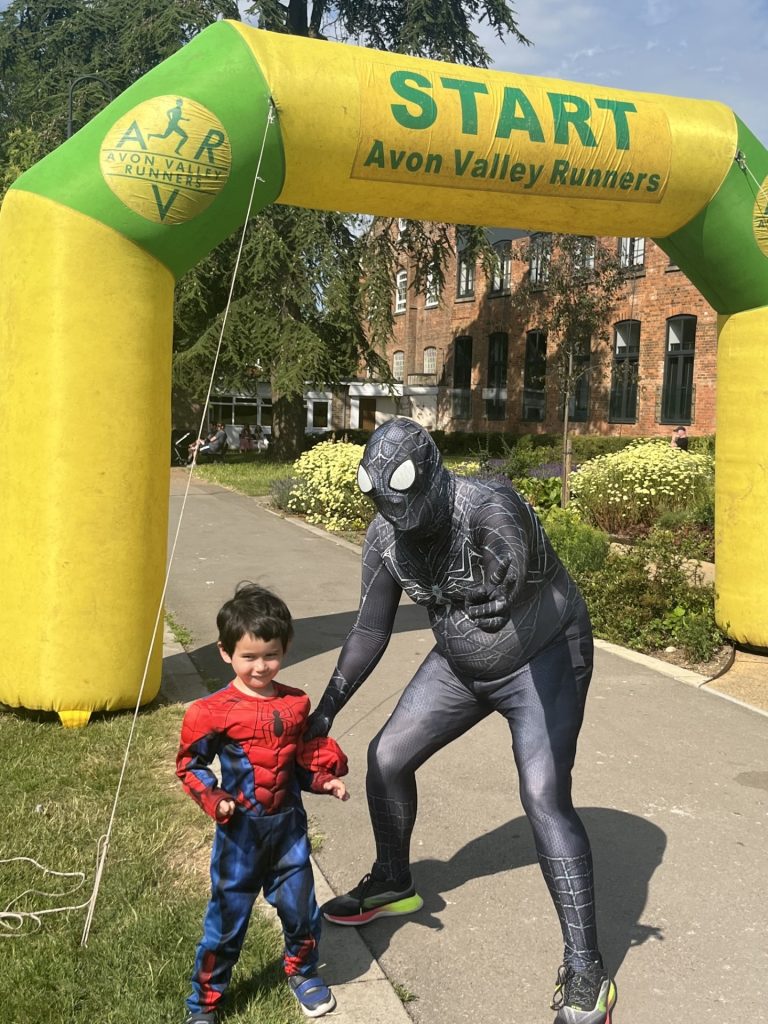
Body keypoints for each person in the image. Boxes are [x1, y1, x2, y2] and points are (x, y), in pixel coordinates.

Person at [304, 417, 616, 1024]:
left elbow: (516, 571)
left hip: (542, 656)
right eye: (389, 512)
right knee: (386, 756)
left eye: (408, 510)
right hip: (459, 663)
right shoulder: (386, 537)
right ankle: (394, 879)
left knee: (544, 795)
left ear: (432, 480)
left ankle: (587, 969)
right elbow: (371, 631)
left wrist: (497, 588)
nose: (402, 525)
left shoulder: (490, 506)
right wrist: (327, 710)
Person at [177, 583, 350, 1024]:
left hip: (288, 831)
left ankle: (304, 973)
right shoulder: (209, 711)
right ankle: (204, 1004)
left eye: (270, 655)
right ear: (225, 652)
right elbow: (189, 766)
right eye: (249, 657)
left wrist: (323, 781)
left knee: (303, 914)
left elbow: (293, 764)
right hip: (240, 835)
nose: (260, 666)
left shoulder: (296, 704)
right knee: (226, 925)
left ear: (285, 648)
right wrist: (214, 800)